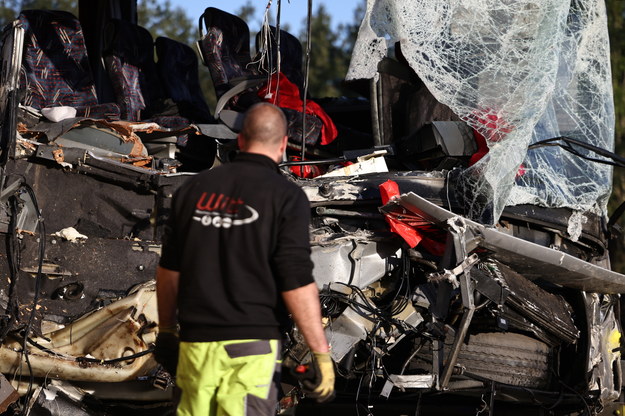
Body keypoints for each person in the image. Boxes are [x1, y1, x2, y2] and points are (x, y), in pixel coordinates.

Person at [154, 102, 335, 415]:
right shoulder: (286, 196)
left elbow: (169, 271)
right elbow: (295, 280)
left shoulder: (193, 189)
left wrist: (167, 331)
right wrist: (319, 353)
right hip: (251, 352)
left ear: (240, 139)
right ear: (282, 145)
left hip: (195, 348)